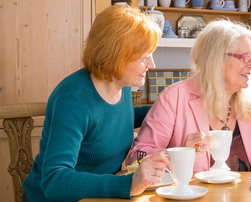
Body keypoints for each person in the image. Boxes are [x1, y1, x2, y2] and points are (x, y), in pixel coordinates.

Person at [23, 6, 169, 201]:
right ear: (117, 55)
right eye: (144, 58)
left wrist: (170, 107)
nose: (152, 65)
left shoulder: (120, 84)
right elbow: (54, 180)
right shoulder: (73, 99)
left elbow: (114, 120)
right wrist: (129, 184)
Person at [126, 20, 251, 172]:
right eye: (245, 58)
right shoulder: (173, 98)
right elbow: (136, 158)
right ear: (215, 59)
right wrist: (180, 154)